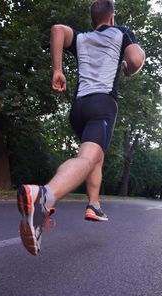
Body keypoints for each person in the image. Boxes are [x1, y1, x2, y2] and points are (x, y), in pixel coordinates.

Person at [17, 0, 146, 255]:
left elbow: (57, 30)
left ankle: (94, 205)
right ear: (111, 17)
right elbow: (136, 57)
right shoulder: (121, 32)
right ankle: (43, 196)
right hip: (102, 105)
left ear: (92, 19)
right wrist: (128, 69)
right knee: (88, 158)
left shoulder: (83, 38)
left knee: (94, 156)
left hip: (79, 109)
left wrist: (57, 70)